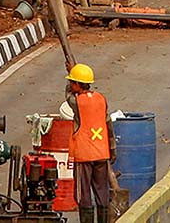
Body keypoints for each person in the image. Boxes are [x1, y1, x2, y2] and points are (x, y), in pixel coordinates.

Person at [66, 64, 115, 223]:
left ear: (78, 85)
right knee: (102, 192)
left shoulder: (77, 102)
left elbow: (67, 95)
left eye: (73, 82)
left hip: (84, 155)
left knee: (83, 195)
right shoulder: (101, 99)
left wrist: (70, 72)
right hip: (102, 153)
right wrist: (112, 150)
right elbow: (108, 125)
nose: (71, 85)